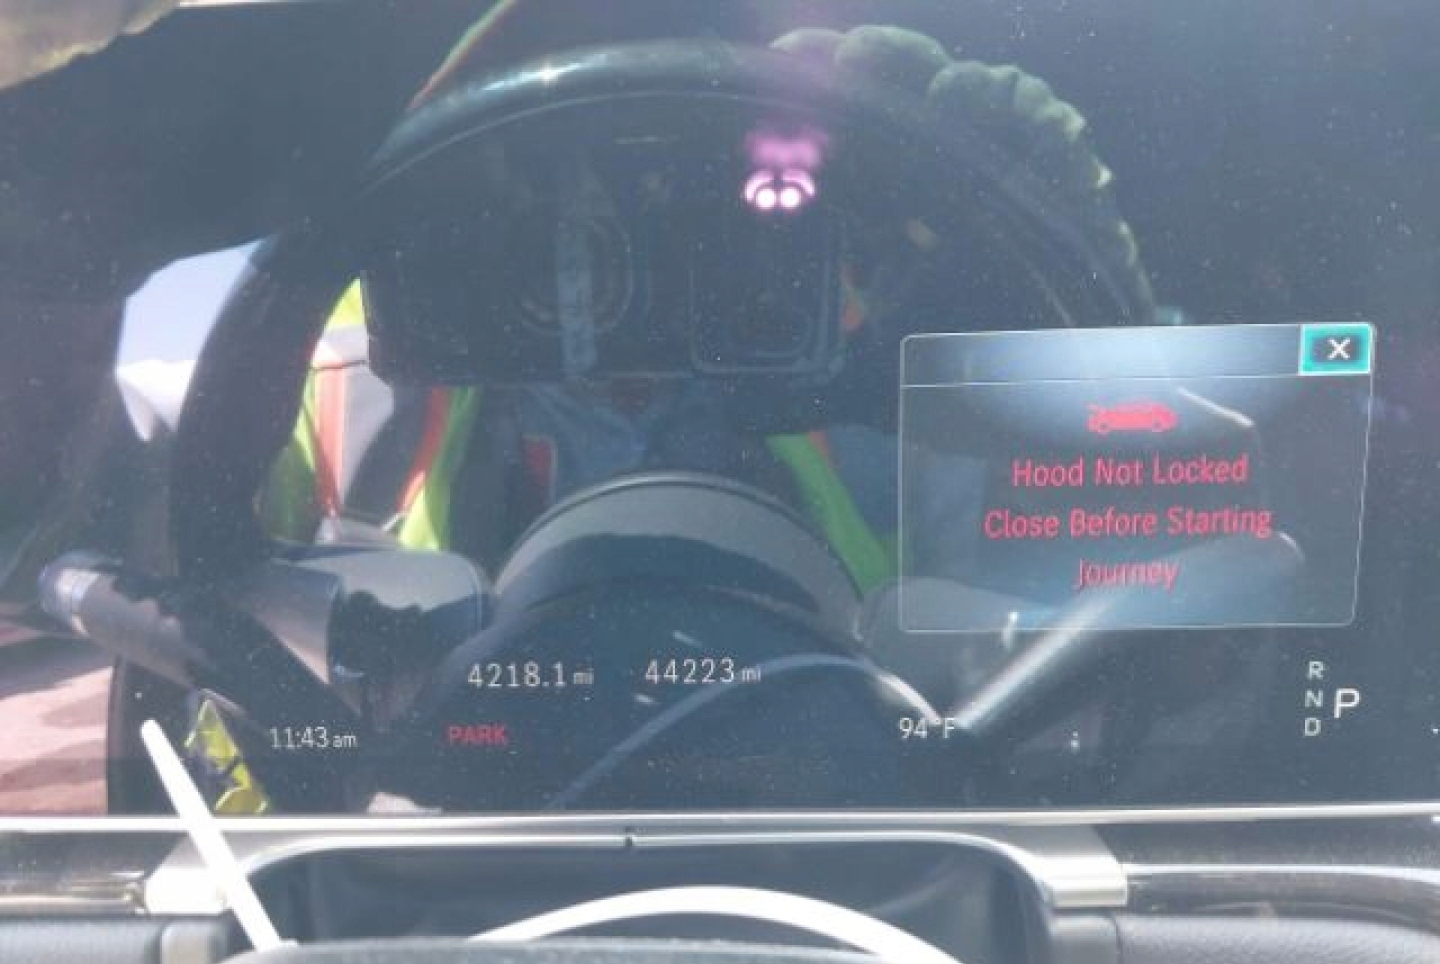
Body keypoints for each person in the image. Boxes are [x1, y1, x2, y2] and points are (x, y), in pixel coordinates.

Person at [260, 22, 1150, 601]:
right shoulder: (344, 370)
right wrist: (296, 260)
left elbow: (1131, 641)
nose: (617, 245)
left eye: (671, 185)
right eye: (557, 176)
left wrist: (1090, 345)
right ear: (473, 179)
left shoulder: (888, 361)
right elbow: (191, 609)